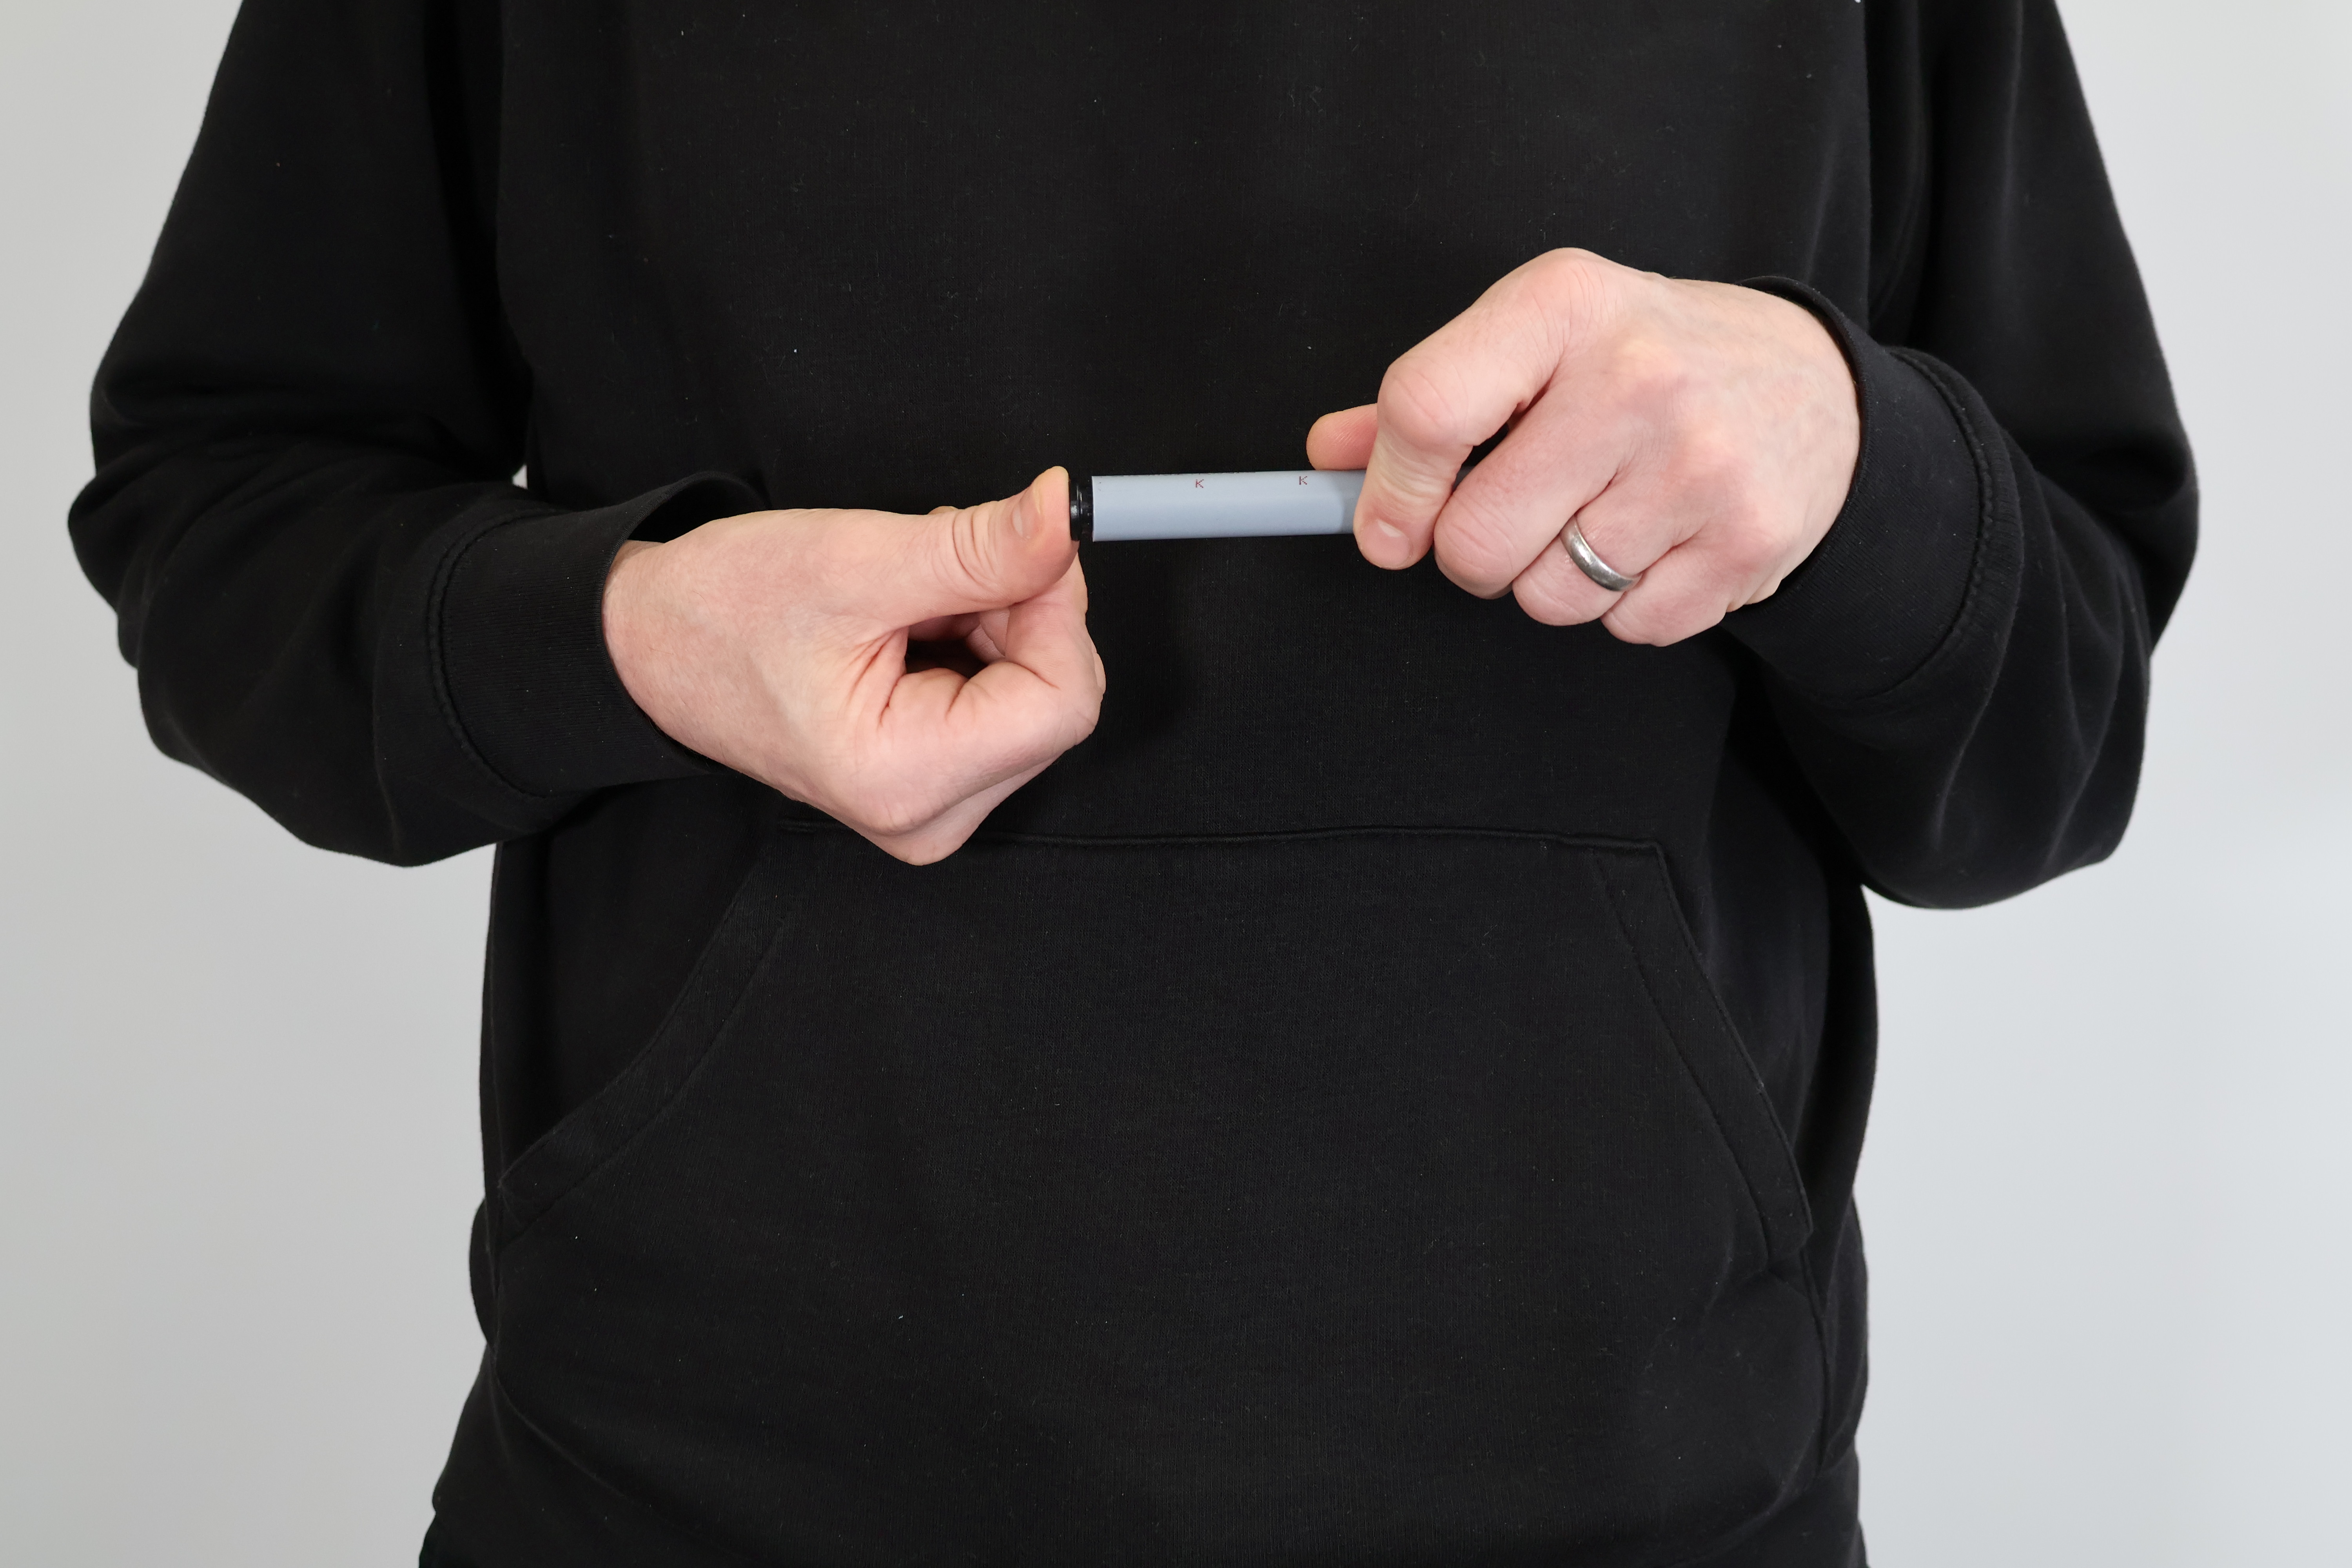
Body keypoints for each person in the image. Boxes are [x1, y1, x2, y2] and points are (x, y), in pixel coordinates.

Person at [71, 1, 2194, 1563]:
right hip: (696, 1495)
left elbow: (2055, 729)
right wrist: (628, 631)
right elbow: (227, 514)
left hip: (1641, 1503)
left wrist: (1847, 451)